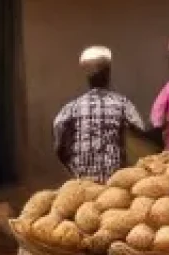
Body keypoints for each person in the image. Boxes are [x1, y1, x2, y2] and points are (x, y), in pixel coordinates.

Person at [53, 47, 144, 183]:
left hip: (83, 181)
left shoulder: (72, 107)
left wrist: (69, 164)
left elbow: (58, 142)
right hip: (113, 181)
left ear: (88, 78)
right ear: (108, 74)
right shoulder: (122, 103)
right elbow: (140, 131)